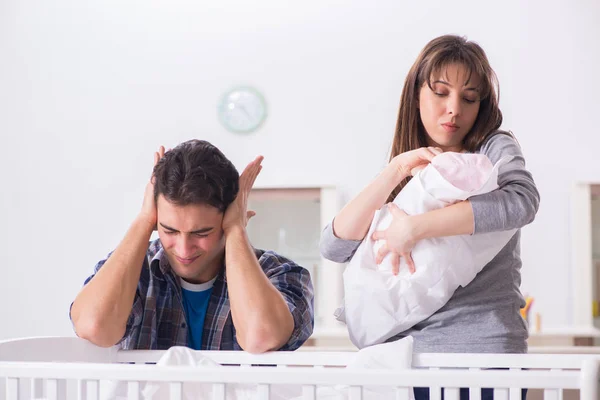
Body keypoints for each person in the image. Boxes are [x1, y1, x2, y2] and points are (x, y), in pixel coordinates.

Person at [320, 35, 539, 399]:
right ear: (416, 93)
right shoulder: (409, 170)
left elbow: (521, 201)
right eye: (441, 92)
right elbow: (333, 245)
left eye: (469, 98)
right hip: (403, 361)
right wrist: (395, 170)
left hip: (479, 354)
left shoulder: (492, 147)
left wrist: (414, 229)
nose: (454, 108)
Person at [70, 139, 314, 353]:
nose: (184, 250)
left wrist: (236, 229)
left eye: (201, 232)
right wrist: (144, 221)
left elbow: (259, 338)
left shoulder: (279, 273)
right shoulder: (137, 268)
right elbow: (93, 327)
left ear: (229, 214)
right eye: (169, 230)